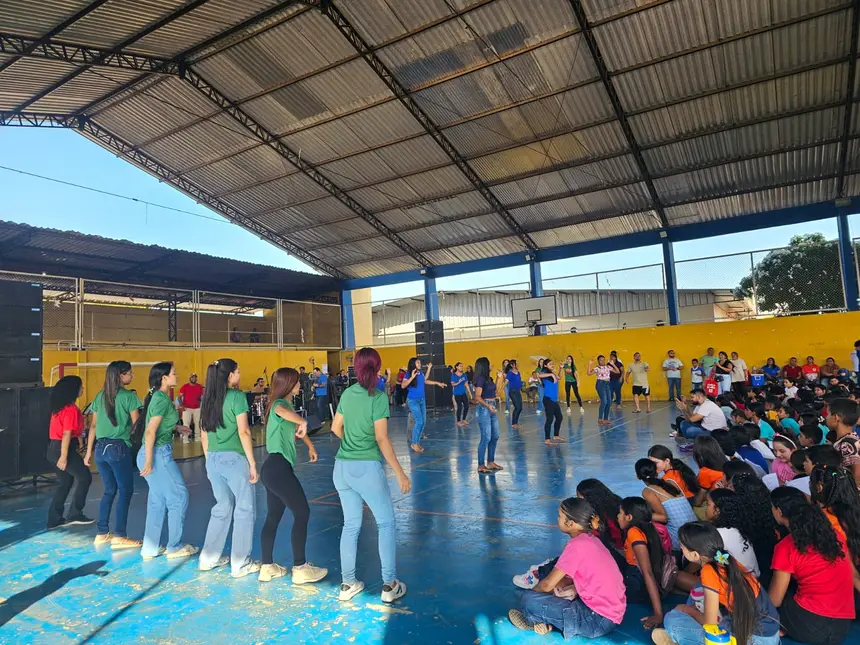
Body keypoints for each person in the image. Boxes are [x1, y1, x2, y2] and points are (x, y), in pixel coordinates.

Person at [331, 347, 410, 604]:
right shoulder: (377, 397)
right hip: (366, 469)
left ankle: (347, 583)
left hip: (342, 468)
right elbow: (381, 438)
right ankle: (389, 584)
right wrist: (400, 473)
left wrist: (351, 445)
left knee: (350, 525)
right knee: (385, 523)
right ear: (377, 368)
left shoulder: (347, 393)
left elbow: (335, 427)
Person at [508, 498, 625, 639]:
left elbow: (546, 585)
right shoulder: (591, 539)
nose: (557, 518)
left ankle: (537, 621)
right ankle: (547, 622)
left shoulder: (576, 546)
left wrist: (533, 595)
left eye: (560, 516)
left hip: (595, 621)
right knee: (558, 588)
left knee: (529, 600)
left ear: (570, 523)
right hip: (612, 614)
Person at [655, 522, 780, 645]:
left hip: (755, 638)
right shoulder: (725, 559)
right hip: (768, 633)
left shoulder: (709, 572)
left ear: (695, 555)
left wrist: (686, 610)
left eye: (682, 547)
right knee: (698, 589)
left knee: (672, 618)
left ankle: (681, 637)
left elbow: (711, 624)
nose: (681, 549)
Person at [259, 367, 327, 584]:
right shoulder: (279, 404)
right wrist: (303, 422)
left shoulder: (288, 407)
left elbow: (296, 426)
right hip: (278, 468)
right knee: (302, 512)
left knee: (273, 516)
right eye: (297, 382)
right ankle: (300, 568)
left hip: (272, 469)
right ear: (288, 384)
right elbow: (284, 413)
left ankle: (267, 567)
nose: (299, 385)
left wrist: (310, 445)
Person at [769, 487, 855, 645]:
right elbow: (853, 574)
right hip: (841, 628)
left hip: (809, 626)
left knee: (771, 594)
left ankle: (783, 628)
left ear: (779, 511)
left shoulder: (786, 547)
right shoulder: (834, 535)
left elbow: (775, 600)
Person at [198, 358, 259, 578]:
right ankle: (240, 564)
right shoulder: (237, 397)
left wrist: (209, 462)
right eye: (238, 371)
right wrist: (252, 463)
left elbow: (203, 433)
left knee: (222, 507)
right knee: (244, 509)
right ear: (230, 375)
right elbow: (244, 431)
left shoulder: (207, 399)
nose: (240, 374)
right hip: (234, 459)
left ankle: (208, 558)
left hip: (213, 459)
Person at [137, 362, 197, 560]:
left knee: (157, 501)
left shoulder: (159, 397)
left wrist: (177, 428)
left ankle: (150, 548)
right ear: (163, 378)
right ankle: (174, 546)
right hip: (157, 455)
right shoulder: (161, 399)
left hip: (152, 452)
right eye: (173, 373)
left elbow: (158, 425)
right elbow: (150, 431)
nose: (176, 376)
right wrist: (149, 461)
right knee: (179, 496)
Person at [84, 360, 142, 549]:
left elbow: (93, 426)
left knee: (109, 490)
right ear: (121, 376)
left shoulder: (100, 396)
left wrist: (88, 452)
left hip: (100, 449)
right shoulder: (129, 397)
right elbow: (137, 425)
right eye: (130, 373)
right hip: (118, 448)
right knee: (125, 491)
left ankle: (102, 533)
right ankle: (120, 535)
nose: (132, 375)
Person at [46, 375, 93, 529]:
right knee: (84, 477)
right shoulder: (71, 409)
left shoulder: (59, 408)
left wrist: (79, 441)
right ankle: (74, 514)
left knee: (65, 482)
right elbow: (66, 433)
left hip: (53, 448)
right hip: (62, 448)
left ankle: (54, 519)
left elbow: (71, 431)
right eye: (81, 387)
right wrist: (64, 456)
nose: (83, 389)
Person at [617, 497, 668, 629]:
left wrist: (658, 613)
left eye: (620, 513)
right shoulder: (647, 528)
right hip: (637, 576)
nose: (618, 516)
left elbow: (647, 572)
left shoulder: (634, 533)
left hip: (636, 583)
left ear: (629, 517)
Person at [634, 458, 696, 551]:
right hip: (695, 529)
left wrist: (638, 514)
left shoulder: (648, 491)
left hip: (680, 538)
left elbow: (663, 518)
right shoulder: (671, 482)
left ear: (638, 476)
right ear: (656, 472)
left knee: (642, 522)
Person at [706, 489, 760, 575]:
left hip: (743, 580)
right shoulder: (739, 526)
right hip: (755, 575)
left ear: (717, 511)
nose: (706, 509)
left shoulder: (718, 534)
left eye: (708, 504)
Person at [401, 357, 447, 453]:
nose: (420, 364)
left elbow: (425, 380)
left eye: (420, 362)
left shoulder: (420, 372)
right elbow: (403, 385)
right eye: (418, 362)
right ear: (413, 364)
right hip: (413, 401)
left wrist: (437, 383)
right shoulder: (408, 374)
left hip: (422, 400)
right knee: (419, 422)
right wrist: (412, 377)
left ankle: (417, 442)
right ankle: (414, 443)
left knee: (423, 422)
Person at [577, 479, 625, 551]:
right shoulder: (616, 501)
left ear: (589, 497)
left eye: (579, 497)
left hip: (617, 549)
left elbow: (615, 535)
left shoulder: (603, 514)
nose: (579, 501)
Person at [473, 357, 503, 473]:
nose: (492, 365)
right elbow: (477, 396)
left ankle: (490, 462)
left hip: (492, 406)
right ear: (485, 365)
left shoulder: (489, 379)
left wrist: (499, 378)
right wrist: (487, 406)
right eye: (489, 363)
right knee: (486, 437)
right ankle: (481, 465)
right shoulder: (480, 379)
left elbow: (497, 392)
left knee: (495, 436)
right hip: (484, 408)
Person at [826, 397, 860, 488]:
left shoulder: (847, 443)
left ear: (836, 417)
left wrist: (850, 493)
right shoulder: (848, 439)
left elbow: (857, 472)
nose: (826, 417)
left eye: (828, 414)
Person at [539, 358, 564, 443]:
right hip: (548, 399)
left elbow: (559, 377)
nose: (552, 365)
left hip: (554, 400)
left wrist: (560, 368)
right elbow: (539, 375)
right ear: (545, 365)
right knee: (549, 419)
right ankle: (547, 439)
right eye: (550, 364)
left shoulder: (551, 373)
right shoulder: (545, 373)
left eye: (552, 364)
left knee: (559, 418)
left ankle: (556, 435)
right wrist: (551, 375)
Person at [588, 355, 617, 426]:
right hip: (600, 384)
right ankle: (600, 419)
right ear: (598, 361)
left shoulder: (608, 367)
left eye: (604, 360)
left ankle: (606, 419)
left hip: (607, 384)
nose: (603, 361)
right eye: (601, 360)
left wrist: (613, 364)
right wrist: (589, 364)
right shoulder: (597, 368)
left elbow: (617, 371)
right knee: (604, 401)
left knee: (609, 401)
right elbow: (589, 373)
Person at [179, 373, 204, 441]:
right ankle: (185, 438)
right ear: (190, 378)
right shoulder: (185, 386)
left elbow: (201, 397)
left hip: (197, 408)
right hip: (187, 408)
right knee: (186, 424)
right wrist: (182, 406)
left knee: (197, 423)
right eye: (192, 377)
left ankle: (197, 437)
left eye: (195, 377)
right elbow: (179, 397)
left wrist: (200, 399)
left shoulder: (199, 386)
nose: (194, 378)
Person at [505, 359, 524, 428]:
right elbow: (506, 382)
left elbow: (519, 381)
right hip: (512, 392)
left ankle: (516, 422)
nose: (517, 365)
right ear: (512, 365)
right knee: (517, 407)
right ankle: (513, 423)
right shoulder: (510, 373)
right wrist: (499, 390)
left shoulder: (518, 372)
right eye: (516, 363)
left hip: (518, 391)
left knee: (520, 408)